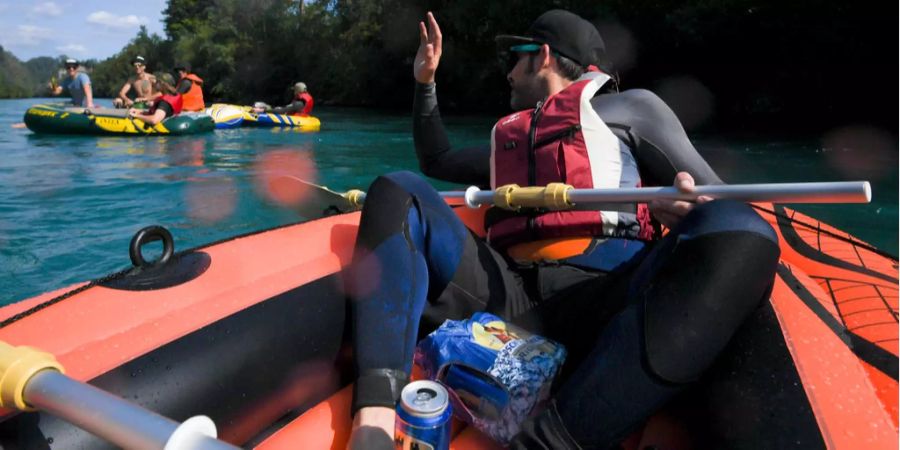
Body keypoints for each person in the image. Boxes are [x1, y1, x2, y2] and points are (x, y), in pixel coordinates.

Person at [346, 10, 781, 450]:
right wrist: (425, 83)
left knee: (740, 232)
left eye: (515, 58)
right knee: (398, 189)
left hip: (604, 298)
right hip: (505, 298)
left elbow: (723, 197)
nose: (509, 73)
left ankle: (547, 443)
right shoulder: (513, 137)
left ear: (544, 57)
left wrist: (693, 210)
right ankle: (373, 427)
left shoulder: (633, 109)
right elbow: (436, 161)